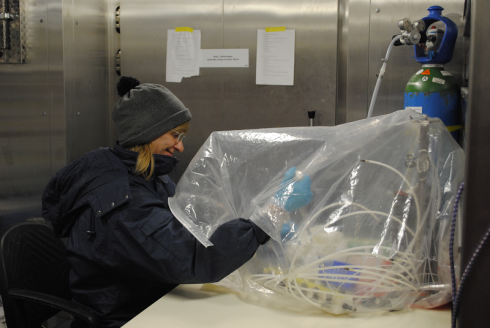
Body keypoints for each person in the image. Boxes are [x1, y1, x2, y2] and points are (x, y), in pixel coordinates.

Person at [42, 76, 270, 327]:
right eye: (175, 135)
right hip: (125, 317)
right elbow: (188, 255)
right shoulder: (119, 200)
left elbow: (181, 222)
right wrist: (264, 220)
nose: (180, 147)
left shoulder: (145, 174)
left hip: (152, 297)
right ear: (145, 132)